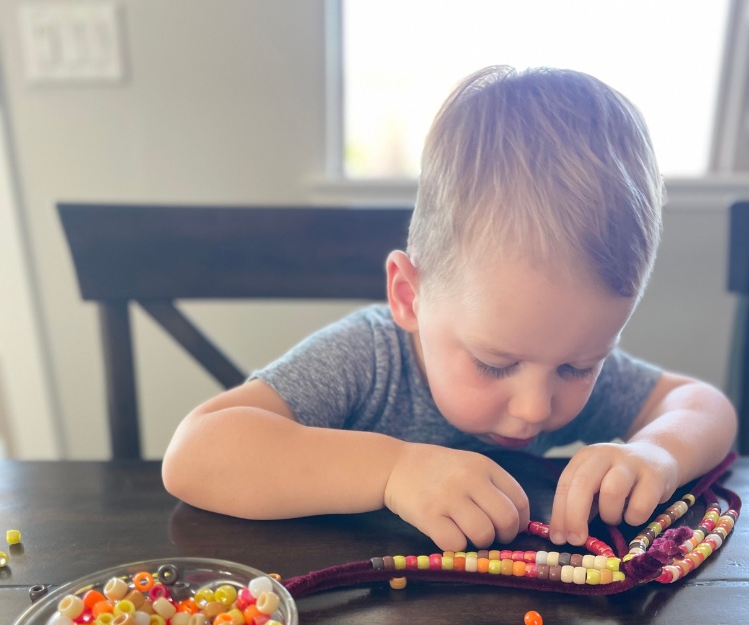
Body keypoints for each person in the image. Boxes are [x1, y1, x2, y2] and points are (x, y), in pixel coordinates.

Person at [162, 66, 737, 551]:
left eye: (578, 367)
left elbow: (702, 405)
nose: (536, 407)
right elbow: (195, 453)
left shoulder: (547, 363)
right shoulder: (368, 359)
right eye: (493, 363)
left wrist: (656, 453)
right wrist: (392, 471)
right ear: (409, 297)